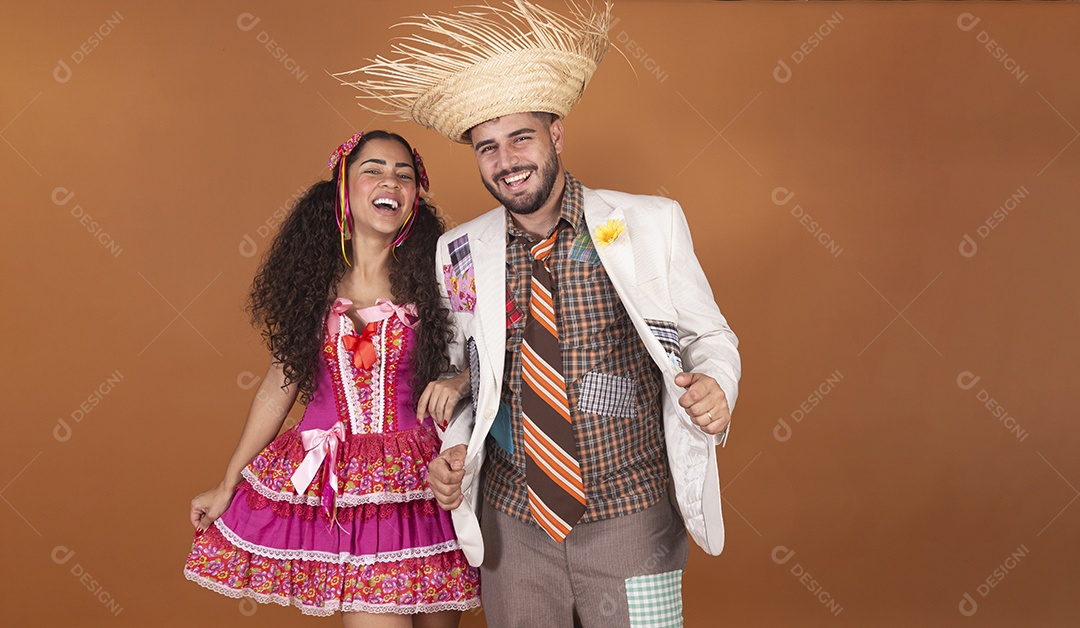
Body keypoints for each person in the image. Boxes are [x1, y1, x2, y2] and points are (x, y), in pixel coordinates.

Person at [339, 2, 741, 626]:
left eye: (520, 137)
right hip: (513, 529)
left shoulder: (649, 223)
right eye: (487, 148)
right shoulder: (462, 251)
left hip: (632, 518)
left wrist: (717, 384)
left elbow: (709, 338)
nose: (505, 161)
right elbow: (464, 377)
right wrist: (452, 450)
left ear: (556, 134)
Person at [183, 130, 480, 626]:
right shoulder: (313, 282)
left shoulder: (441, 275)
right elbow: (281, 384)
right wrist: (227, 482)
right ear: (343, 186)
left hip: (427, 482)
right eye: (375, 169)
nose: (391, 180)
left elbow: (492, 348)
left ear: (414, 195)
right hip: (343, 485)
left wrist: (463, 379)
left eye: (405, 174)